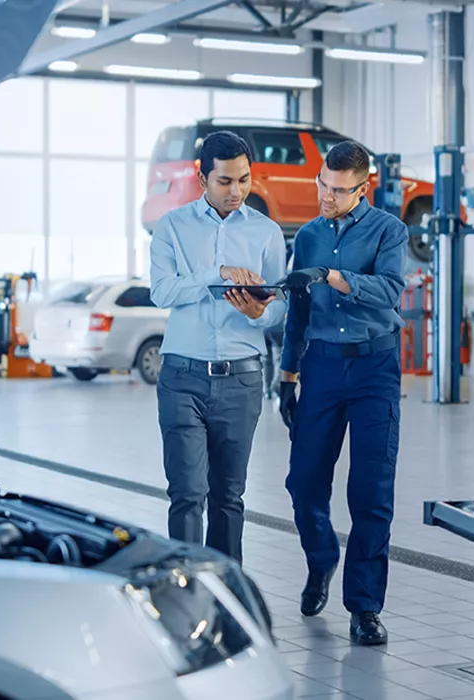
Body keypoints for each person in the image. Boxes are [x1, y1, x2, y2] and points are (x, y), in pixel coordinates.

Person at [278, 140, 408, 646]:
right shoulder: (307, 236)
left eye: (337, 190)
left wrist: (335, 277)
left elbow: (391, 290)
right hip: (322, 369)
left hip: (375, 367)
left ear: (363, 187)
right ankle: (321, 560)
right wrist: (288, 376)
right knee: (304, 482)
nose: (326, 196)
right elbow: (298, 312)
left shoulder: (388, 230)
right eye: (322, 185)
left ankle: (365, 607)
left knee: (371, 492)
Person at [148, 130, 287, 563]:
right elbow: (163, 292)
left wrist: (257, 314)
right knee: (188, 494)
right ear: (201, 175)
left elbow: (278, 305)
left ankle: (225, 593)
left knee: (229, 496)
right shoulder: (172, 226)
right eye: (225, 181)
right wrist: (217, 272)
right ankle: (186, 591)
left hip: (243, 377)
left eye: (244, 180)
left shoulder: (266, 232)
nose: (236, 191)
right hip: (182, 377)